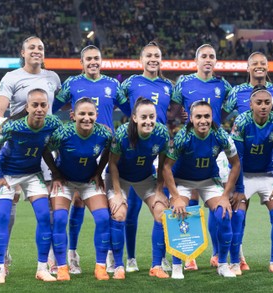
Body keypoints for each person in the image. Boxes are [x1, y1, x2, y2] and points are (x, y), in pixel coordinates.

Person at [52, 45, 131, 274]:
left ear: (101, 60)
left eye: (96, 58)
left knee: (111, 209)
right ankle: (71, 254)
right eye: (88, 59)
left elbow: (130, 108)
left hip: (105, 153)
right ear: (82, 62)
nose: (93, 62)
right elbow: (52, 106)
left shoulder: (113, 85)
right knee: (76, 202)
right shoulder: (72, 84)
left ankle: (108, 254)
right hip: (78, 152)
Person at [0, 36, 61, 273]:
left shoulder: (52, 78)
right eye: (31, 47)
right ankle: (4, 255)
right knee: (9, 207)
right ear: (23, 52)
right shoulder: (11, 78)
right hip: (18, 148)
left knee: (51, 206)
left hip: (45, 149)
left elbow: (55, 109)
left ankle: (51, 259)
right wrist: (7, 132)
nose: (36, 51)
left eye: (40, 47)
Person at [223, 51, 273, 270]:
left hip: (269, 164)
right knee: (239, 214)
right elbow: (220, 118)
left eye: (263, 63)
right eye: (254, 63)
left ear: (268, 67)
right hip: (243, 162)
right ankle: (238, 258)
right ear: (248, 68)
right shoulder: (236, 92)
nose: (259, 66)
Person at [171, 43, 232, 271]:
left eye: (212, 56)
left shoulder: (222, 85)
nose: (208, 59)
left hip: (215, 148)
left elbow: (229, 108)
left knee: (218, 206)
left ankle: (218, 254)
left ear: (215, 61)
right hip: (189, 147)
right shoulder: (185, 82)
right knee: (191, 204)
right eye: (204, 56)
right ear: (196, 60)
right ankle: (190, 254)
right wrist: (185, 116)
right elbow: (173, 109)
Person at [162, 100, 240, 279]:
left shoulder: (220, 135)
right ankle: (176, 266)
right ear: (191, 118)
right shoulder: (183, 137)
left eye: (207, 116)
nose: (203, 120)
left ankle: (222, 263)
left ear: (212, 118)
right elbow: (166, 167)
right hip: (183, 181)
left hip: (208, 181)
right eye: (198, 116)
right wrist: (176, 197)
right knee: (178, 212)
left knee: (224, 214)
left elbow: (236, 164)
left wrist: (225, 195)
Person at [115, 41, 173, 273]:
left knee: (163, 205)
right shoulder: (129, 83)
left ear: (161, 59)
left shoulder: (169, 85)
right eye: (148, 55)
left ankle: (162, 257)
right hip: (134, 146)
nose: (153, 59)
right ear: (141, 60)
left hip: (159, 149)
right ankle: (130, 258)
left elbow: (182, 106)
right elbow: (114, 103)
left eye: (157, 55)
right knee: (131, 210)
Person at [43, 97, 114, 281]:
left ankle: (100, 267)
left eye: (91, 114)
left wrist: (99, 171)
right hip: (65, 182)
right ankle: (62, 268)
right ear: (73, 115)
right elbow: (44, 150)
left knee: (103, 218)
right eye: (82, 114)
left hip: (88, 181)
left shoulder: (103, 134)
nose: (87, 118)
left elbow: (109, 151)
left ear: (96, 115)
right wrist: (56, 174)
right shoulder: (63, 133)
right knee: (59, 219)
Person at [106, 97, 170, 279]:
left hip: (145, 177)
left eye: (152, 117)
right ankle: (118, 266)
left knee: (161, 212)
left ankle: (156, 266)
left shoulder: (162, 134)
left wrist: (159, 190)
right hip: (120, 177)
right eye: (144, 117)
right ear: (134, 117)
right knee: (119, 213)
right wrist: (118, 194)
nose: (148, 121)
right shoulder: (122, 134)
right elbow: (112, 164)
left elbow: (163, 163)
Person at [230, 85, 273, 275]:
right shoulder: (242, 121)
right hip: (244, 175)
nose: (263, 106)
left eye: (267, 102)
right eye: (259, 103)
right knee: (238, 216)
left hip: (267, 175)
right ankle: (235, 262)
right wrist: (238, 188)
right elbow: (237, 158)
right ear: (251, 105)